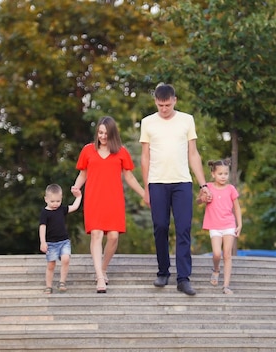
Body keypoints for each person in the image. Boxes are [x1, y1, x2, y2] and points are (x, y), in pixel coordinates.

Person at [139, 83, 211, 296]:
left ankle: (183, 278)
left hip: (182, 182)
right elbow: (145, 157)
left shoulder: (187, 120)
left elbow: (193, 154)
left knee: (183, 228)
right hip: (157, 182)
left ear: (175, 100)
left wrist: (203, 184)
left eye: (167, 105)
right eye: (160, 105)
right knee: (160, 226)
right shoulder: (147, 122)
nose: (164, 108)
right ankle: (163, 271)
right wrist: (146, 188)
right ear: (156, 103)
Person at [72, 116, 145, 294]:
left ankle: (103, 268)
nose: (103, 136)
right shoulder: (88, 150)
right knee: (96, 234)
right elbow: (83, 174)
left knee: (113, 237)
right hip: (93, 198)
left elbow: (129, 177)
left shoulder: (121, 151)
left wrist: (145, 194)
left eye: (106, 133)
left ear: (113, 134)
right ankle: (99, 277)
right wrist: (76, 187)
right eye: (100, 132)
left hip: (114, 199)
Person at [201, 159, 242, 294]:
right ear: (213, 174)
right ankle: (216, 269)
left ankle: (226, 285)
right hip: (214, 225)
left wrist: (239, 224)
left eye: (226, 173)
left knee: (227, 254)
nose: (223, 176)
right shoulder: (208, 187)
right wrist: (203, 199)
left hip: (229, 224)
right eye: (220, 174)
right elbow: (198, 200)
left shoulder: (231, 189)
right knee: (217, 253)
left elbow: (236, 208)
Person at [39, 183, 82, 294]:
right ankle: (48, 286)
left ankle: (62, 282)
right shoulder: (45, 213)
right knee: (51, 265)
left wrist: (78, 197)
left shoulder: (61, 209)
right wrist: (43, 242)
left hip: (64, 241)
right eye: (52, 201)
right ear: (46, 199)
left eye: (58, 201)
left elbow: (74, 207)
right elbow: (42, 227)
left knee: (66, 259)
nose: (55, 204)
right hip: (51, 243)